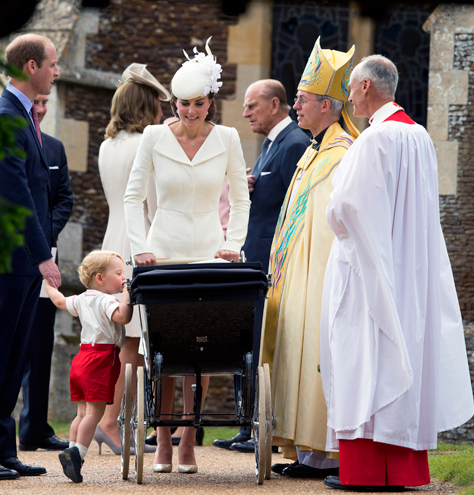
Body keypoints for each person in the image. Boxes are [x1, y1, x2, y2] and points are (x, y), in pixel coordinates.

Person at [319, 55, 474, 490]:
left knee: (365, 356)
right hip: (412, 267)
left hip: (372, 267)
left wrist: (335, 218)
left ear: (367, 86)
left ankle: (366, 472)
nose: (348, 97)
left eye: (351, 88)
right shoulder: (420, 136)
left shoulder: (374, 140)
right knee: (400, 352)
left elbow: (348, 207)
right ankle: (400, 471)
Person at [124, 37, 250, 474]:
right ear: (173, 103)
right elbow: (132, 196)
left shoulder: (230, 138)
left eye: (197, 103)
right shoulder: (154, 136)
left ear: (210, 102)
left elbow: (241, 199)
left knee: (200, 347)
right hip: (162, 249)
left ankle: (189, 443)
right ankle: (161, 441)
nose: (190, 111)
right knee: (162, 348)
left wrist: (233, 244)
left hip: (209, 250)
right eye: (182, 104)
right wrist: (139, 245)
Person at [0, 33, 61, 481]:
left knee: (15, 358)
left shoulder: (20, 115)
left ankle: (2, 448)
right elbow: (14, 194)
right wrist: (44, 256)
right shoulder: (4, 117)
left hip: (20, 261)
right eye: (53, 64)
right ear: (31, 67)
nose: (58, 71)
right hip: (6, 259)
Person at [260, 38, 359, 479]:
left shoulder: (342, 155)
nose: (295, 107)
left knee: (314, 354)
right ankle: (304, 451)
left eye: (301, 100)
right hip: (292, 277)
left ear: (327, 104)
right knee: (294, 352)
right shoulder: (314, 149)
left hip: (319, 276)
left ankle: (323, 451)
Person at [212, 79, 309, 454]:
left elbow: (294, 213)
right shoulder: (272, 145)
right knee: (247, 345)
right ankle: (246, 425)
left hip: (272, 267)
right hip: (252, 264)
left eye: (252, 106)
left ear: (274, 104)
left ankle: (258, 427)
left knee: (260, 348)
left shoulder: (295, 145)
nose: (245, 112)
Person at [94, 63, 166, 454]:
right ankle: (112, 422)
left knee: (117, 338)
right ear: (148, 106)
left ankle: (108, 421)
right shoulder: (147, 143)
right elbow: (153, 205)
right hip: (140, 243)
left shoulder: (108, 144)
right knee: (135, 342)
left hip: (111, 242)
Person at [43, 250, 132, 483]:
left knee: (81, 412)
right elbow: (123, 317)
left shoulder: (81, 298)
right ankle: (77, 453)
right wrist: (128, 293)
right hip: (101, 359)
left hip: (81, 358)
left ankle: (71, 451)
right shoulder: (107, 300)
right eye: (119, 273)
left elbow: (59, 301)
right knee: (95, 413)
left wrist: (48, 284)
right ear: (100, 278)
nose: (123, 278)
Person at [17, 93, 73, 452]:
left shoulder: (54, 148)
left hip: (46, 258)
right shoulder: (9, 139)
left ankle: (35, 426)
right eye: (34, 102)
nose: (40, 109)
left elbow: (65, 198)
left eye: (44, 103)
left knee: (40, 344)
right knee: (10, 347)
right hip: (11, 257)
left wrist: (45, 237)